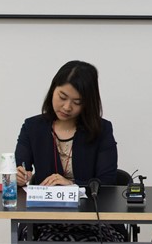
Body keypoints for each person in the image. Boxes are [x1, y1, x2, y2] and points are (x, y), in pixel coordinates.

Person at [15, 60, 123, 242]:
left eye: (77, 102)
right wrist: (18, 176)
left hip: (94, 220)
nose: (67, 107)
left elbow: (107, 182)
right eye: (62, 97)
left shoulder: (102, 130)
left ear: (87, 103)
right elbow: (19, 167)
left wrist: (73, 186)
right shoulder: (32, 127)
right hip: (44, 220)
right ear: (53, 90)